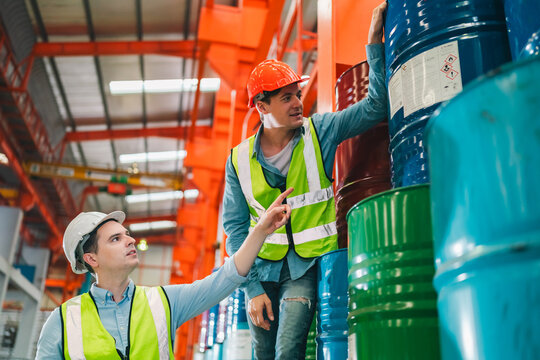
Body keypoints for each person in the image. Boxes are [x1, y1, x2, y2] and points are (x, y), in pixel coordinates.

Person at [222, 2, 388, 359]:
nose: (298, 103)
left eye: (297, 94)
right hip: (261, 269)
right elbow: (235, 228)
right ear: (262, 107)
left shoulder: (320, 131)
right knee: (262, 353)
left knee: (288, 350)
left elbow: (376, 106)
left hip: (305, 267)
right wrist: (251, 290)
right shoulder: (238, 160)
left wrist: (373, 43)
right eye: (287, 98)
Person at [35, 187, 293, 359]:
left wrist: (260, 231)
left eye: (127, 234)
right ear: (91, 259)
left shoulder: (164, 302)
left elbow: (225, 278)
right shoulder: (62, 321)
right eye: (115, 239)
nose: (130, 240)